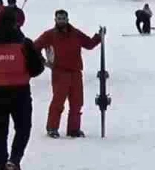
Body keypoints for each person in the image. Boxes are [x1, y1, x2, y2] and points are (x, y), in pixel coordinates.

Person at [0, 7, 45, 170]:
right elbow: (36, 68)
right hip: (19, 90)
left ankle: (1, 166)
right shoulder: (24, 43)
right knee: (23, 127)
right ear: (16, 22)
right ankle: (14, 160)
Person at [34, 10, 105, 138]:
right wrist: (44, 62)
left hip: (76, 72)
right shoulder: (49, 35)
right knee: (58, 102)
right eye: (59, 18)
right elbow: (34, 48)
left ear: (68, 19)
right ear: (55, 19)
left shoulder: (75, 33)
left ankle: (74, 129)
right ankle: (52, 128)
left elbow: (89, 44)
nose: (61, 20)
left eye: (63, 18)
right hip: (60, 73)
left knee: (77, 103)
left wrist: (99, 37)